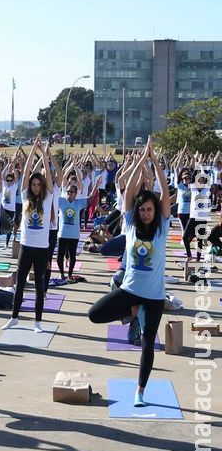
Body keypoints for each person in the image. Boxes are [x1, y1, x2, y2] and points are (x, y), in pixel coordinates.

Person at [89, 137, 170, 407]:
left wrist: (155, 161)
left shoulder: (161, 227)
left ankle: (140, 392)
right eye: (143, 209)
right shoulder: (130, 226)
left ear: (155, 211)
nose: (146, 213)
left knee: (148, 343)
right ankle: (131, 311)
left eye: (150, 209)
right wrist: (138, 162)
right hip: (131, 289)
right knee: (94, 314)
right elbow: (129, 191)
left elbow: (165, 193)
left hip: (155, 296)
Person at [2, 135, 54, 333]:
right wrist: (33, 149)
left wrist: (44, 153)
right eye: (33, 185)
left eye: (38, 184)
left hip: (41, 248)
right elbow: (25, 173)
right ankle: (14, 317)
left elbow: (48, 176)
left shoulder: (48, 197)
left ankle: (37, 323)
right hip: (26, 245)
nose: (36, 187)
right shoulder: (25, 197)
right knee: (20, 283)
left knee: (40, 286)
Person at [56, 173, 86, 279]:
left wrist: (96, 186)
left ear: (76, 194)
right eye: (68, 192)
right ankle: (62, 273)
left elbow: (91, 198)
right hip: (62, 234)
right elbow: (53, 193)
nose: (69, 194)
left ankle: (69, 274)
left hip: (74, 235)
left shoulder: (79, 203)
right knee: (59, 257)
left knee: (72, 256)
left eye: (72, 192)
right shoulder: (62, 201)